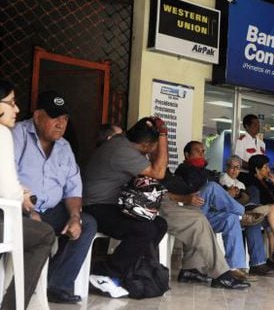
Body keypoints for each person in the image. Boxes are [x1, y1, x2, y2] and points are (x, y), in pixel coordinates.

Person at [12, 90, 97, 303]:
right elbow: (7, 179)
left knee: (86, 224)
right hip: (18, 209)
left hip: (49, 211)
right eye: (54, 117)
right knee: (38, 231)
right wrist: (28, 210)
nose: (60, 124)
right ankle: (21, 289)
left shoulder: (64, 148)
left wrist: (74, 217)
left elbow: (73, 189)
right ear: (38, 116)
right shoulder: (18, 135)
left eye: (65, 119)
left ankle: (56, 285)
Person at [83, 117, 168, 297]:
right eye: (153, 145)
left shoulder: (123, 141)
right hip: (95, 207)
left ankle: (132, 269)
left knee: (159, 224)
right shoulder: (122, 150)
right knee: (144, 230)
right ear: (146, 144)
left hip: (111, 205)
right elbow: (159, 172)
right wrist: (163, 136)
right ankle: (105, 273)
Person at [0, 80, 55, 309]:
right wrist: (21, 195)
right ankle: (12, 306)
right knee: (44, 234)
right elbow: (8, 191)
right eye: (11, 103)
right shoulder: (2, 133)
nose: (17, 109)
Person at [174, 142, 250, 280]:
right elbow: (184, 192)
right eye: (198, 151)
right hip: (190, 210)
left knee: (231, 218)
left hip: (206, 214)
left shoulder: (205, 171)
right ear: (187, 154)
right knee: (212, 187)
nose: (202, 154)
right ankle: (243, 213)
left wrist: (226, 193)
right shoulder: (183, 170)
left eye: (203, 151)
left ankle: (233, 267)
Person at [221, 155, 274, 259]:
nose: (235, 170)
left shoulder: (243, 183)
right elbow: (264, 200)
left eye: (238, 168)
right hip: (247, 212)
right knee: (272, 211)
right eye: (265, 167)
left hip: (260, 211)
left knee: (273, 217)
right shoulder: (248, 180)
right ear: (257, 169)